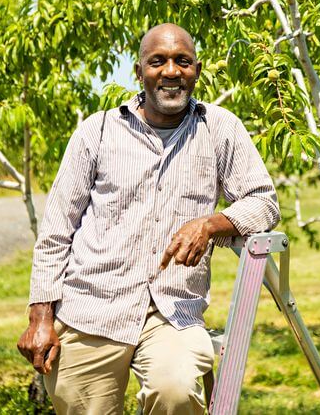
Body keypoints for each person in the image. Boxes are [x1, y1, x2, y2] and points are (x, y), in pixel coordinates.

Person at [17, 22, 280, 414]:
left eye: (182, 62)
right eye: (158, 62)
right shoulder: (98, 130)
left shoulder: (219, 129)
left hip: (172, 312)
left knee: (174, 392)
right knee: (78, 402)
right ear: (139, 72)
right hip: (93, 307)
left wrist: (210, 225)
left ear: (197, 70)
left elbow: (264, 203)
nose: (171, 72)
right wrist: (41, 317)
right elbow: (56, 231)